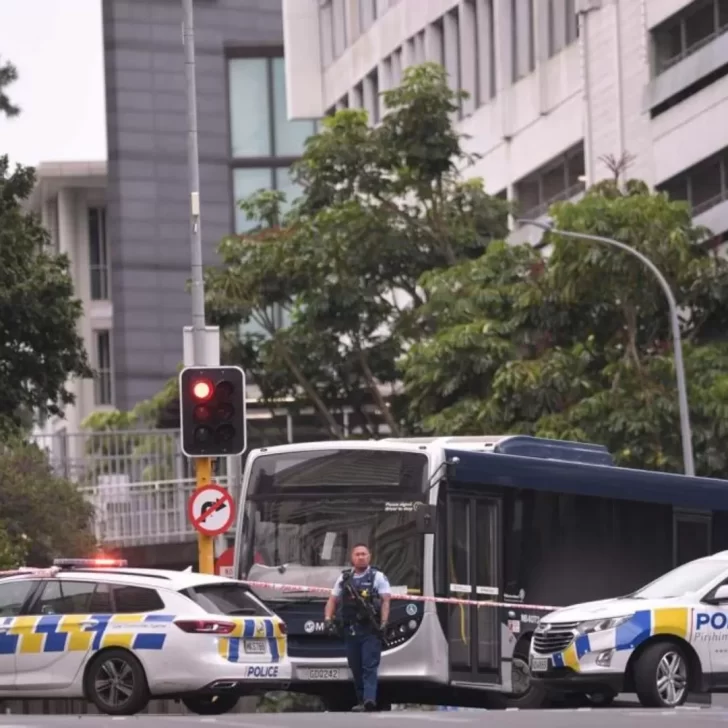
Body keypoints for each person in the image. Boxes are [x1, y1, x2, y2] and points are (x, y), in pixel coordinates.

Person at [324, 543, 391, 712]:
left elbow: (385, 601)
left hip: (370, 629)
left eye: (364, 554)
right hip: (350, 629)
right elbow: (332, 600)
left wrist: (383, 623)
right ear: (352, 558)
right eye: (357, 554)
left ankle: (369, 699)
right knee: (355, 665)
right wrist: (327, 619)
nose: (361, 557)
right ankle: (362, 700)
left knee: (369, 665)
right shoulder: (345, 578)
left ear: (369, 557)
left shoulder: (377, 577)